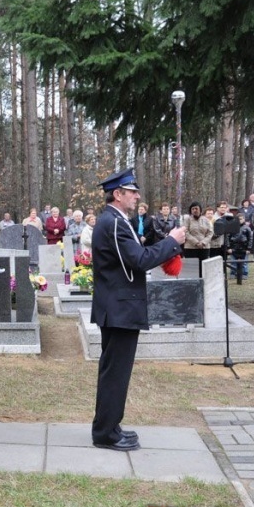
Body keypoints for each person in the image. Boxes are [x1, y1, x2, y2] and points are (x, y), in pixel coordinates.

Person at [90, 168, 185, 451]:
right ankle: (105, 433)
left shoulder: (116, 220)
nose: (137, 196)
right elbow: (139, 260)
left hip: (118, 307)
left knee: (115, 372)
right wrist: (171, 242)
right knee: (115, 374)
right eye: (132, 192)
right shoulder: (114, 222)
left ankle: (110, 426)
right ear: (117, 194)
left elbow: (135, 256)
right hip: (120, 309)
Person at [183, 202, 212, 277]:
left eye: (196, 208)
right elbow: (185, 232)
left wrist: (203, 242)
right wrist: (196, 242)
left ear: (200, 210)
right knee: (192, 269)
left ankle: (202, 281)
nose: (194, 210)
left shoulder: (206, 220)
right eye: (193, 209)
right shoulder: (187, 220)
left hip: (204, 248)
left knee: (203, 268)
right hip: (190, 248)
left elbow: (210, 233)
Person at [228, 214, 252, 279]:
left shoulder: (247, 228)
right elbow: (228, 238)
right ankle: (233, 273)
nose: (239, 220)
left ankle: (244, 274)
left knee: (244, 263)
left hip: (244, 248)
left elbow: (250, 238)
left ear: (244, 219)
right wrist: (229, 247)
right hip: (233, 247)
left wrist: (249, 248)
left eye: (241, 219)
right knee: (233, 262)